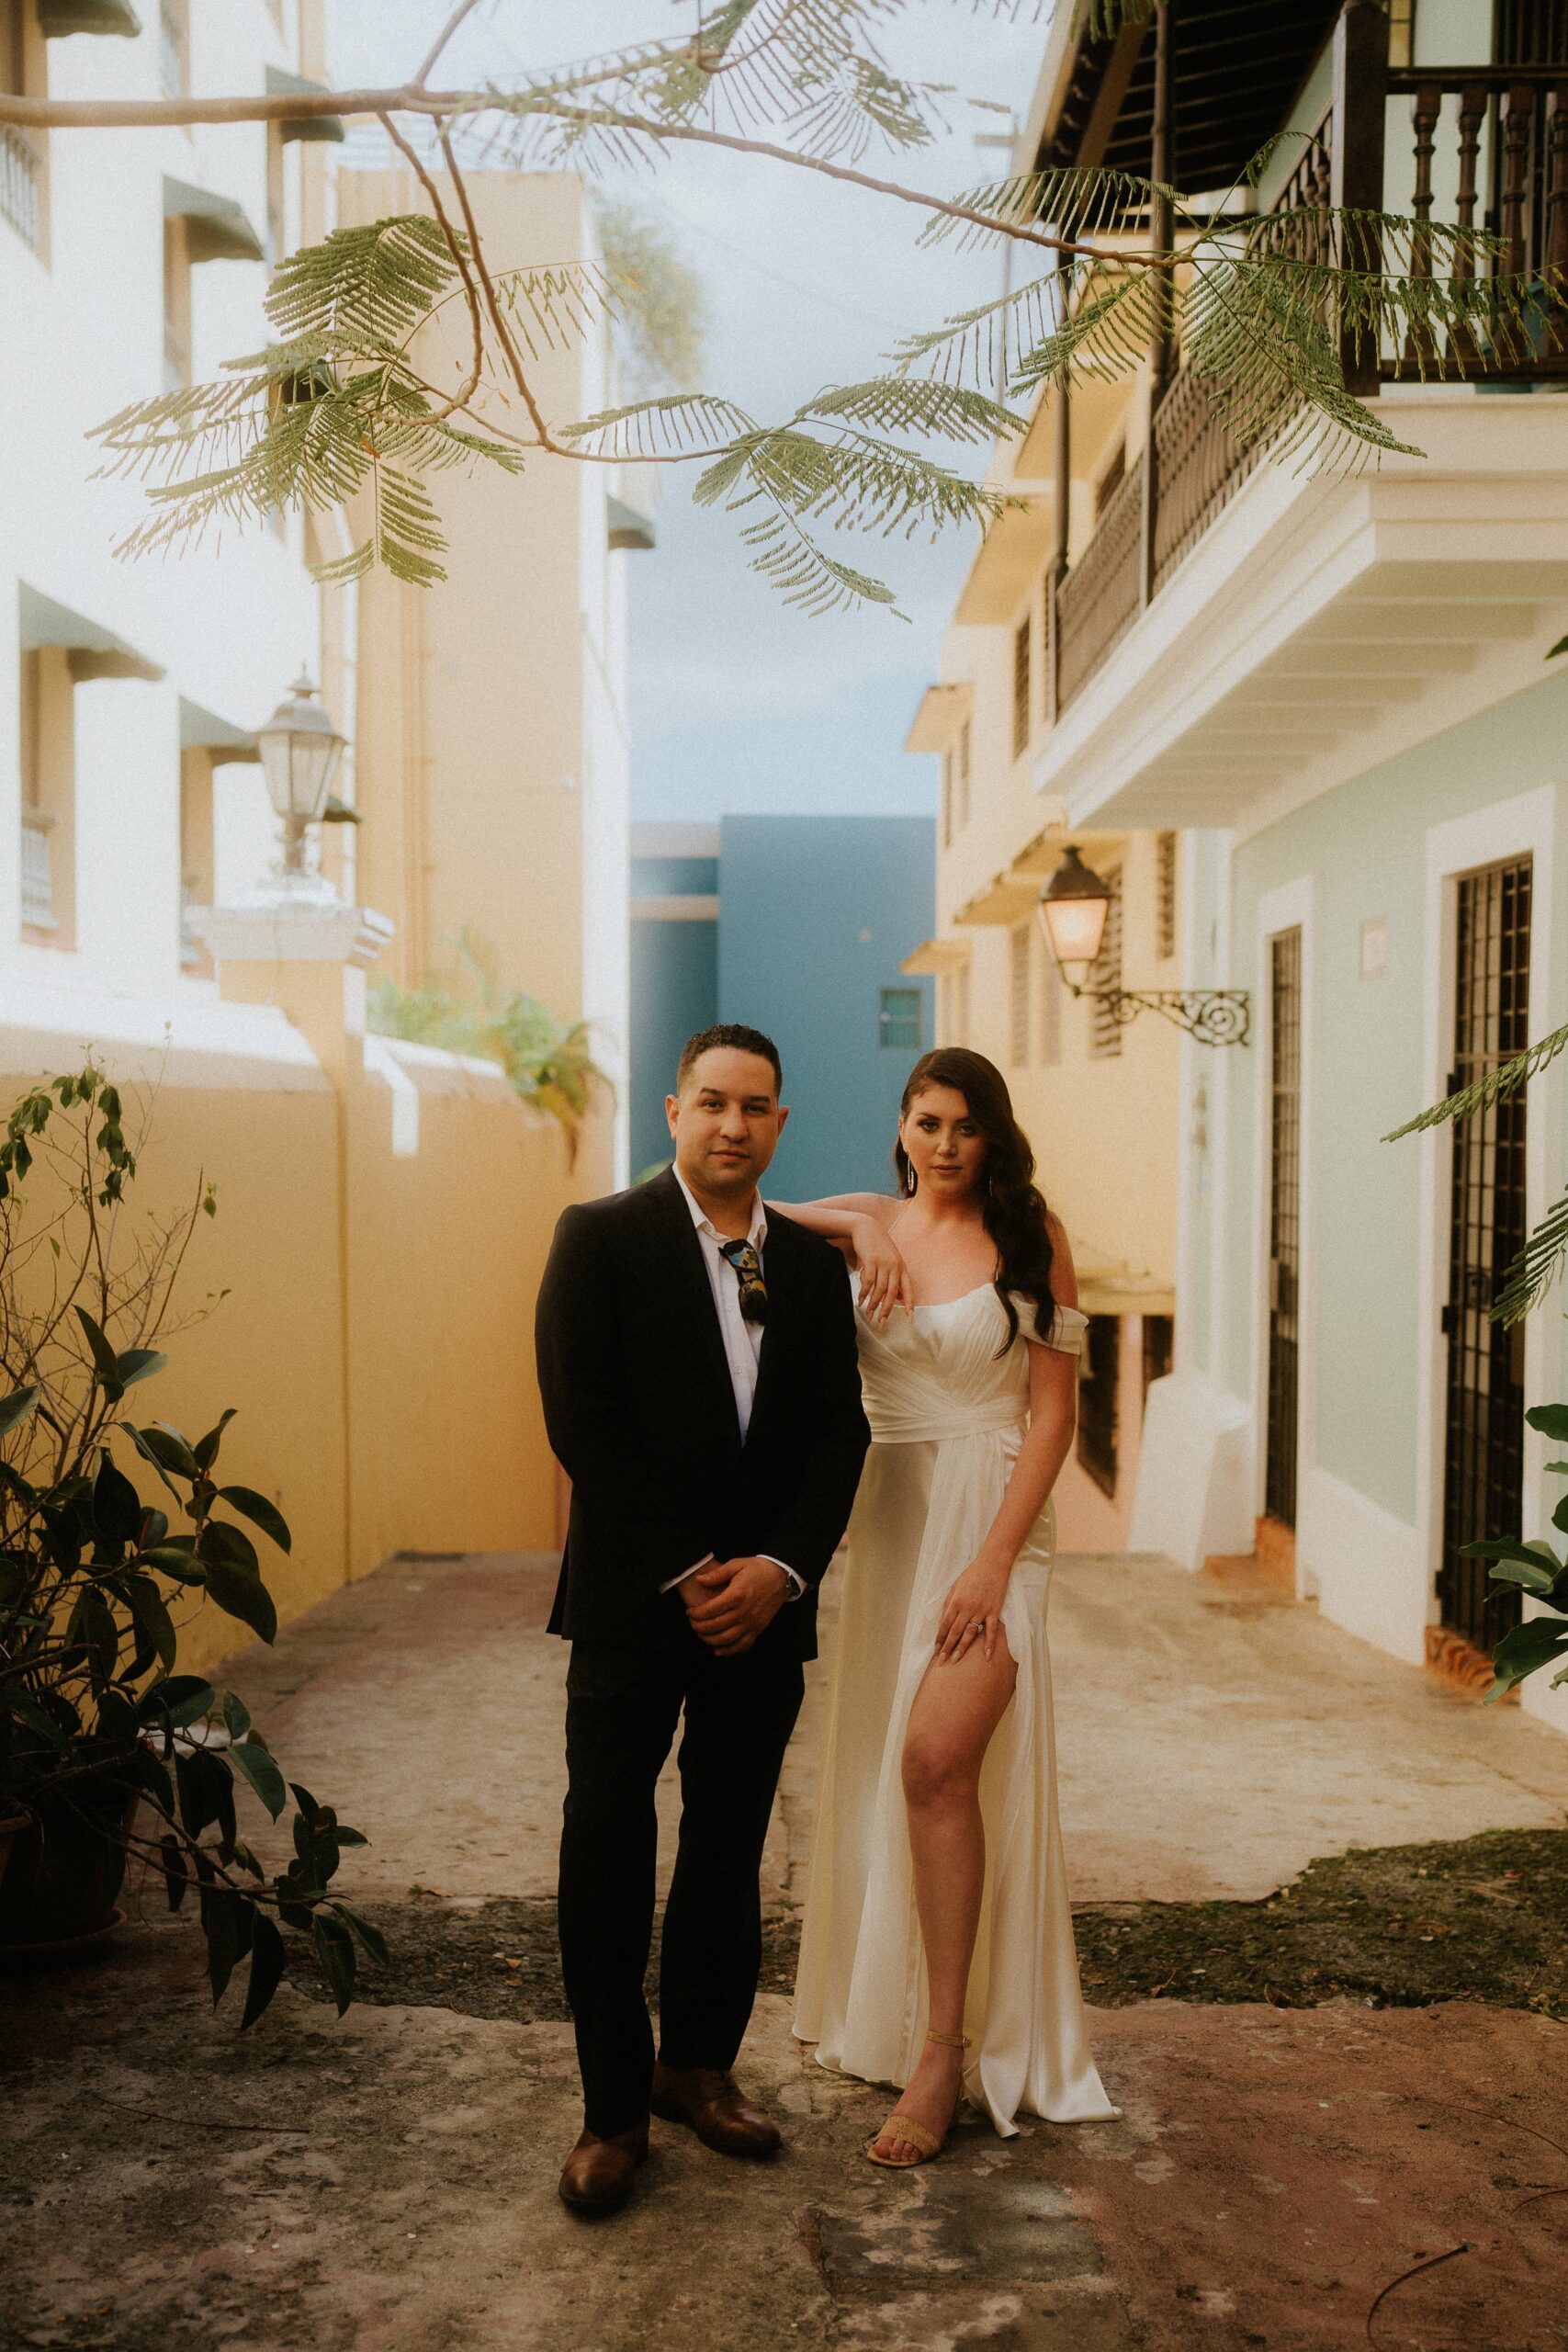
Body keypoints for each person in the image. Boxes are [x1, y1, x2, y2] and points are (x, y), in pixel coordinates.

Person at [535, 1023, 870, 2218]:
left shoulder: (814, 1267)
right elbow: (584, 1422)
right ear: (672, 1110)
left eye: (757, 1107)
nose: (733, 1124)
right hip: (634, 1601)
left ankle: (696, 2071)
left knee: (727, 1852)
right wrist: (689, 1568)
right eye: (713, 1102)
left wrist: (780, 1567)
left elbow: (838, 1431)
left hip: (763, 1617)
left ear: (779, 1124)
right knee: (607, 1848)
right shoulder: (600, 1238)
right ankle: (611, 2113)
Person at [785, 1046, 1117, 2165]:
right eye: (928, 1122)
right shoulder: (867, 1217)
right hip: (890, 1524)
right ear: (902, 1125)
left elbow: (1057, 1415)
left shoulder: (1037, 1237)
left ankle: (941, 2054)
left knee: (936, 1758)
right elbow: (734, 1199)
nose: (944, 1144)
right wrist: (864, 1227)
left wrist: (992, 1560)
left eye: (966, 1127)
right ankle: (903, 2014)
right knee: (905, 1772)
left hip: (995, 1522)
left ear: (993, 1137)